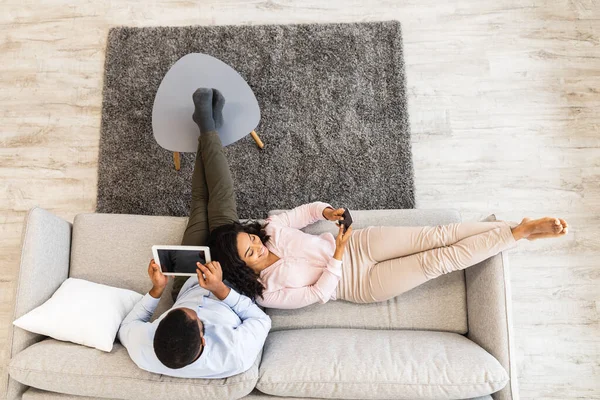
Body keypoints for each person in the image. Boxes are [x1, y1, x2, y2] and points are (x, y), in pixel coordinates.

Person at [118, 88, 271, 378]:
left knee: (199, 206)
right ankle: (207, 124)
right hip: (229, 278)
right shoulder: (234, 355)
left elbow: (128, 326)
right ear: (203, 339)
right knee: (222, 200)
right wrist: (219, 290)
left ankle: (208, 125)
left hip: (188, 280)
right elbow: (261, 321)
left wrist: (158, 290)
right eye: (199, 320)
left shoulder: (144, 349)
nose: (196, 312)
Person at [209, 202, 569, 309]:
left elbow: (305, 215)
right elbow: (318, 294)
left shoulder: (270, 229)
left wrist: (327, 212)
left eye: (251, 240)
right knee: (438, 260)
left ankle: (513, 227)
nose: (258, 246)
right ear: (240, 267)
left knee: (437, 235)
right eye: (250, 253)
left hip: (362, 243)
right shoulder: (267, 293)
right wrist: (337, 251)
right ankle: (518, 233)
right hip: (359, 283)